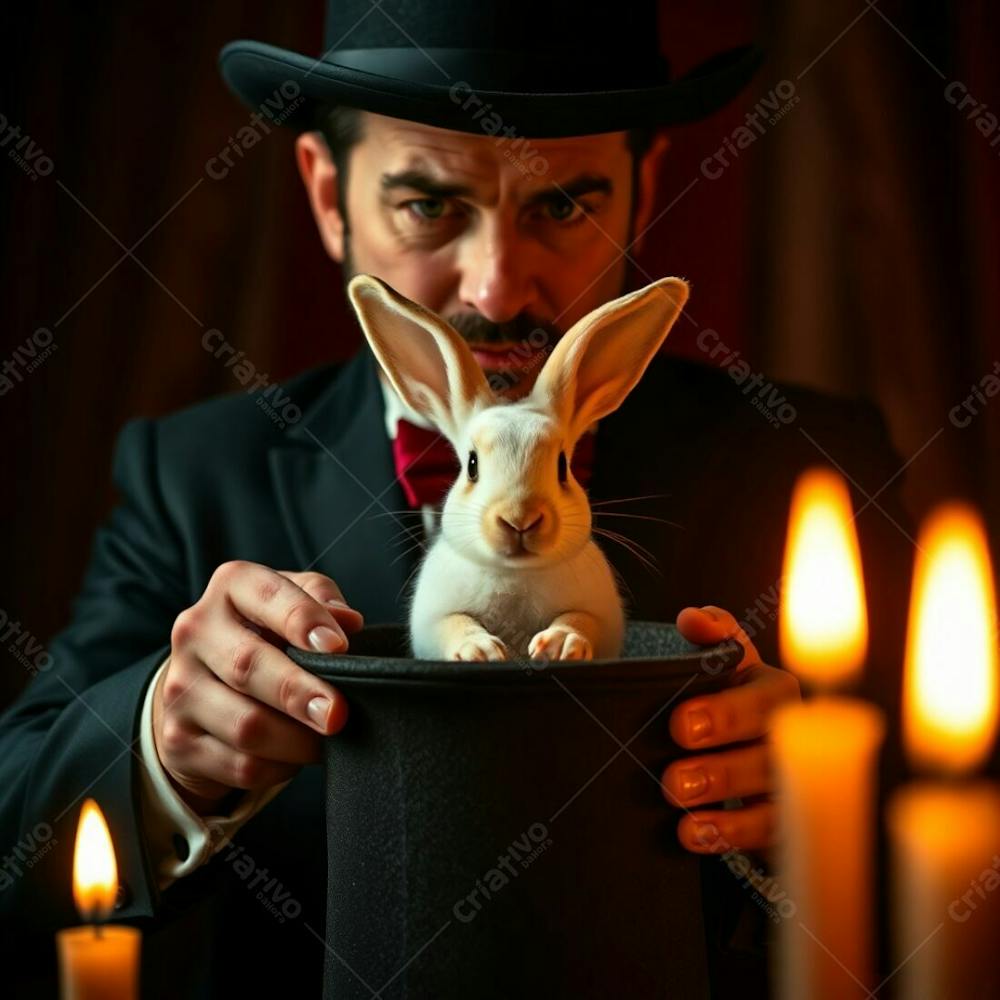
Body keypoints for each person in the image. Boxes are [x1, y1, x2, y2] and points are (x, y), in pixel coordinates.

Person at [0, 1, 913, 996]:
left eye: (562, 204)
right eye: (429, 205)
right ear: (326, 193)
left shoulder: (809, 457)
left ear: (644, 188)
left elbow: (951, 831)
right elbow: (15, 822)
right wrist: (161, 747)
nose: (497, 288)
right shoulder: (195, 473)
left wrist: (818, 816)